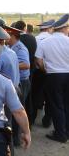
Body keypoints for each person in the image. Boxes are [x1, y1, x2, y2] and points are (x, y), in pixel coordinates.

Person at [35, 14, 69, 143]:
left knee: (56, 105)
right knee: (67, 105)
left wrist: (46, 70)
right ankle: (66, 132)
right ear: (64, 28)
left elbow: (38, 60)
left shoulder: (45, 42)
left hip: (53, 76)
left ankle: (60, 133)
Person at [33, 19, 55, 127]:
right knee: (50, 97)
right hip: (51, 71)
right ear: (48, 28)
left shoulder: (35, 38)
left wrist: (42, 69)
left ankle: (32, 119)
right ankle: (47, 121)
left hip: (38, 71)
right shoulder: (52, 39)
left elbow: (36, 59)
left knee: (36, 94)